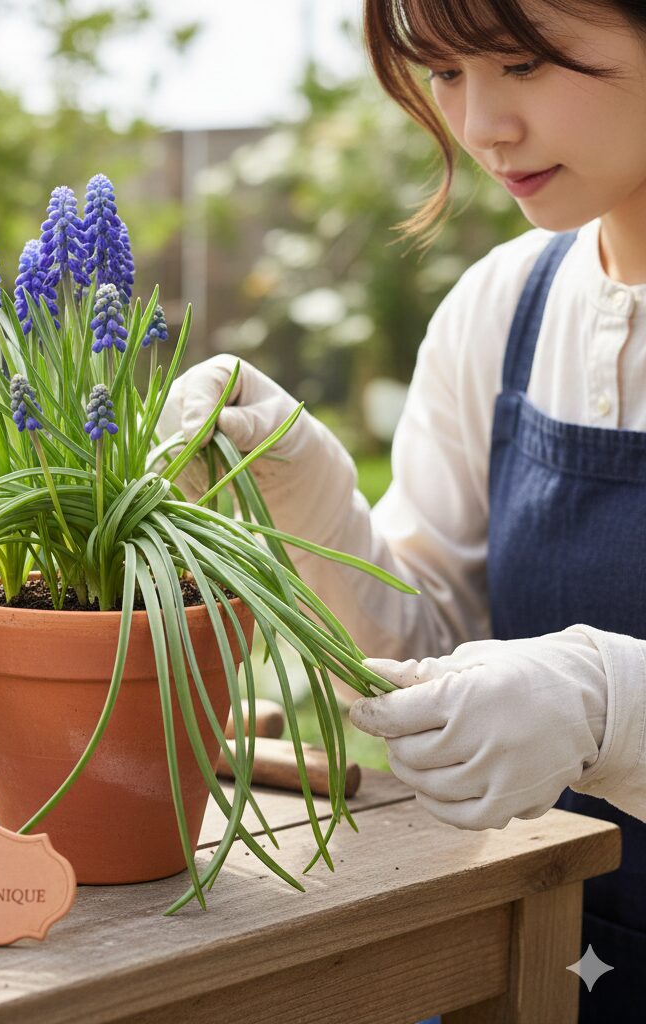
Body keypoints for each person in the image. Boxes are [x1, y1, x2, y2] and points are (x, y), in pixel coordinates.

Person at [159, 1, 646, 1018]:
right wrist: (314, 501)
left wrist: (612, 703)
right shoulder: (503, 306)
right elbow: (432, 647)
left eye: (520, 62)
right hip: (532, 961)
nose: (480, 126)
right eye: (444, 73)